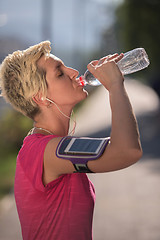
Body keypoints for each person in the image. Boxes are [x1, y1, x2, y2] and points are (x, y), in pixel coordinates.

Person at [0, 41, 142, 240]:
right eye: (60, 73)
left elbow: (122, 148)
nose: (74, 72)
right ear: (40, 97)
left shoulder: (50, 146)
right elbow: (126, 151)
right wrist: (115, 86)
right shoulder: (44, 151)